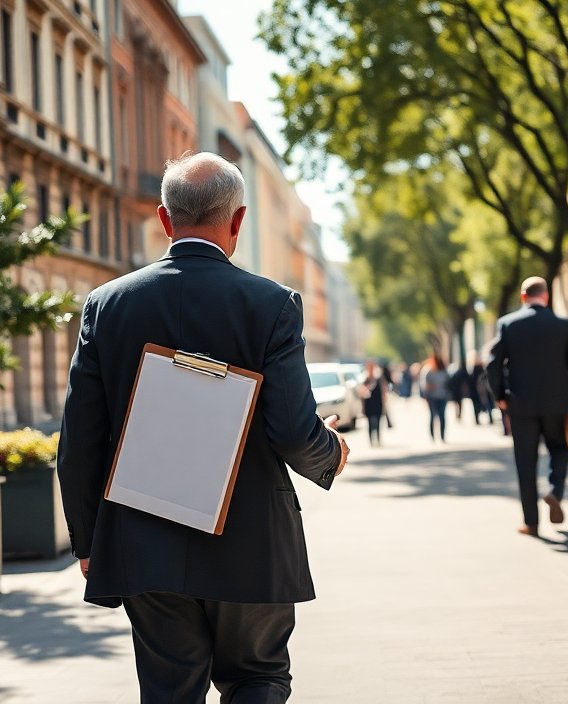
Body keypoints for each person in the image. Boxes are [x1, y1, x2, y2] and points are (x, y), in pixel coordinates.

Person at [57, 152, 350, 701]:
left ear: (164, 221)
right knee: (257, 676)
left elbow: (80, 439)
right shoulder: (271, 305)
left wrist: (88, 538)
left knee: (169, 690)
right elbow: (290, 428)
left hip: (144, 537)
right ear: (237, 221)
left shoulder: (106, 305)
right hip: (250, 539)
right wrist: (330, 452)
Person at [486, 276, 568, 536]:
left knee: (525, 462)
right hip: (558, 403)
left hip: (521, 404)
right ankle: (555, 491)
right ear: (545, 296)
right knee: (560, 449)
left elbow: (492, 365)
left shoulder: (508, 324)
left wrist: (500, 396)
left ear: (523, 297)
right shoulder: (562, 325)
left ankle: (531, 522)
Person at [420, 353, 450, 442]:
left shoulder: (443, 370)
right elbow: (424, 386)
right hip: (431, 397)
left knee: (442, 416)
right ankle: (432, 436)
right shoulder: (428, 371)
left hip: (443, 396)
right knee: (433, 416)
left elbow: (448, 382)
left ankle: (442, 436)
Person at [360, 360, 387, 446]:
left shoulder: (379, 379)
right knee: (370, 423)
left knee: (378, 422)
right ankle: (371, 441)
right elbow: (361, 393)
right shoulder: (365, 379)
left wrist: (385, 403)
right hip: (369, 404)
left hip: (378, 404)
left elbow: (384, 391)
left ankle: (378, 440)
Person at [469, 354, 493, 425]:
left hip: (483, 391)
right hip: (477, 391)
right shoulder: (473, 369)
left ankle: (490, 418)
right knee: (478, 406)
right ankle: (478, 419)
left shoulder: (482, 369)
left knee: (486, 405)